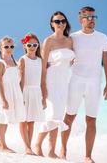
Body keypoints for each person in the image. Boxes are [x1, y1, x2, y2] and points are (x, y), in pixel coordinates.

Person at [61, 6, 107, 163]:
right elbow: (64, 57)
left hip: (94, 83)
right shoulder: (73, 37)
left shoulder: (102, 37)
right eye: (88, 17)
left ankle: (88, 156)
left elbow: (106, 61)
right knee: (69, 117)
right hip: (75, 80)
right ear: (80, 19)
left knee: (91, 119)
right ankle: (63, 150)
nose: (91, 21)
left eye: (93, 17)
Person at [34, 11, 75, 158]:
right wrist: (43, 87)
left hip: (65, 81)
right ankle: (38, 144)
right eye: (57, 21)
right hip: (51, 81)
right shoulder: (48, 41)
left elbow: (71, 61)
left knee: (58, 115)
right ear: (52, 24)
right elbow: (43, 66)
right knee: (53, 114)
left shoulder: (70, 41)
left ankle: (51, 151)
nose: (60, 24)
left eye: (63, 21)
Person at [0, 36, 33, 154]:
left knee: (16, 118)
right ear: (1, 48)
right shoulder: (0, 63)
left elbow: (18, 81)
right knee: (2, 119)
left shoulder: (15, 62)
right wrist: (3, 99)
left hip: (15, 94)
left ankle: (22, 147)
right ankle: (2, 145)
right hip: (5, 94)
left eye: (11, 46)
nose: (9, 49)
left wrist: (20, 96)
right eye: (6, 46)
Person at [19, 33, 45, 151]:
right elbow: (21, 80)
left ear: (38, 45)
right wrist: (20, 96)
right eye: (29, 45)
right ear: (25, 46)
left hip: (36, 92)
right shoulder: (23, 60)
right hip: (25, 91)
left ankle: (28, 147)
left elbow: (42, 80)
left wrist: (44, 97)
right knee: (23, 120)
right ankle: (27, 147)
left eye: (35, 44)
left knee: (31, 121)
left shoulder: (40, 60)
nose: (32, 47)